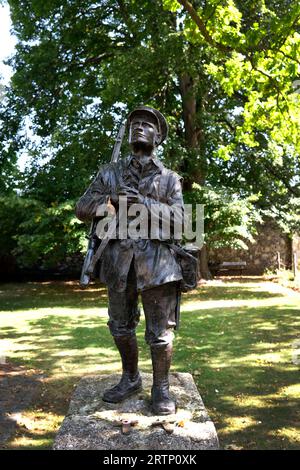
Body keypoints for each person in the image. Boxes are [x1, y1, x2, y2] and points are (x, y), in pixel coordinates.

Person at [75, 106, 184, 415]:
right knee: (120, 326)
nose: (139, 127)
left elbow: (181, 220)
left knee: (160, 334)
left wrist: (143, 204)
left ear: (158, 136)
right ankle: (130, 378)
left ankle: (161, 388)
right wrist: (104, 205)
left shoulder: (169, 179)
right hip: (118, 263)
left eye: (147, 124)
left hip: (158, 265)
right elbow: (82, 206)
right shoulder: (109, 172)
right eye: (134, 123)